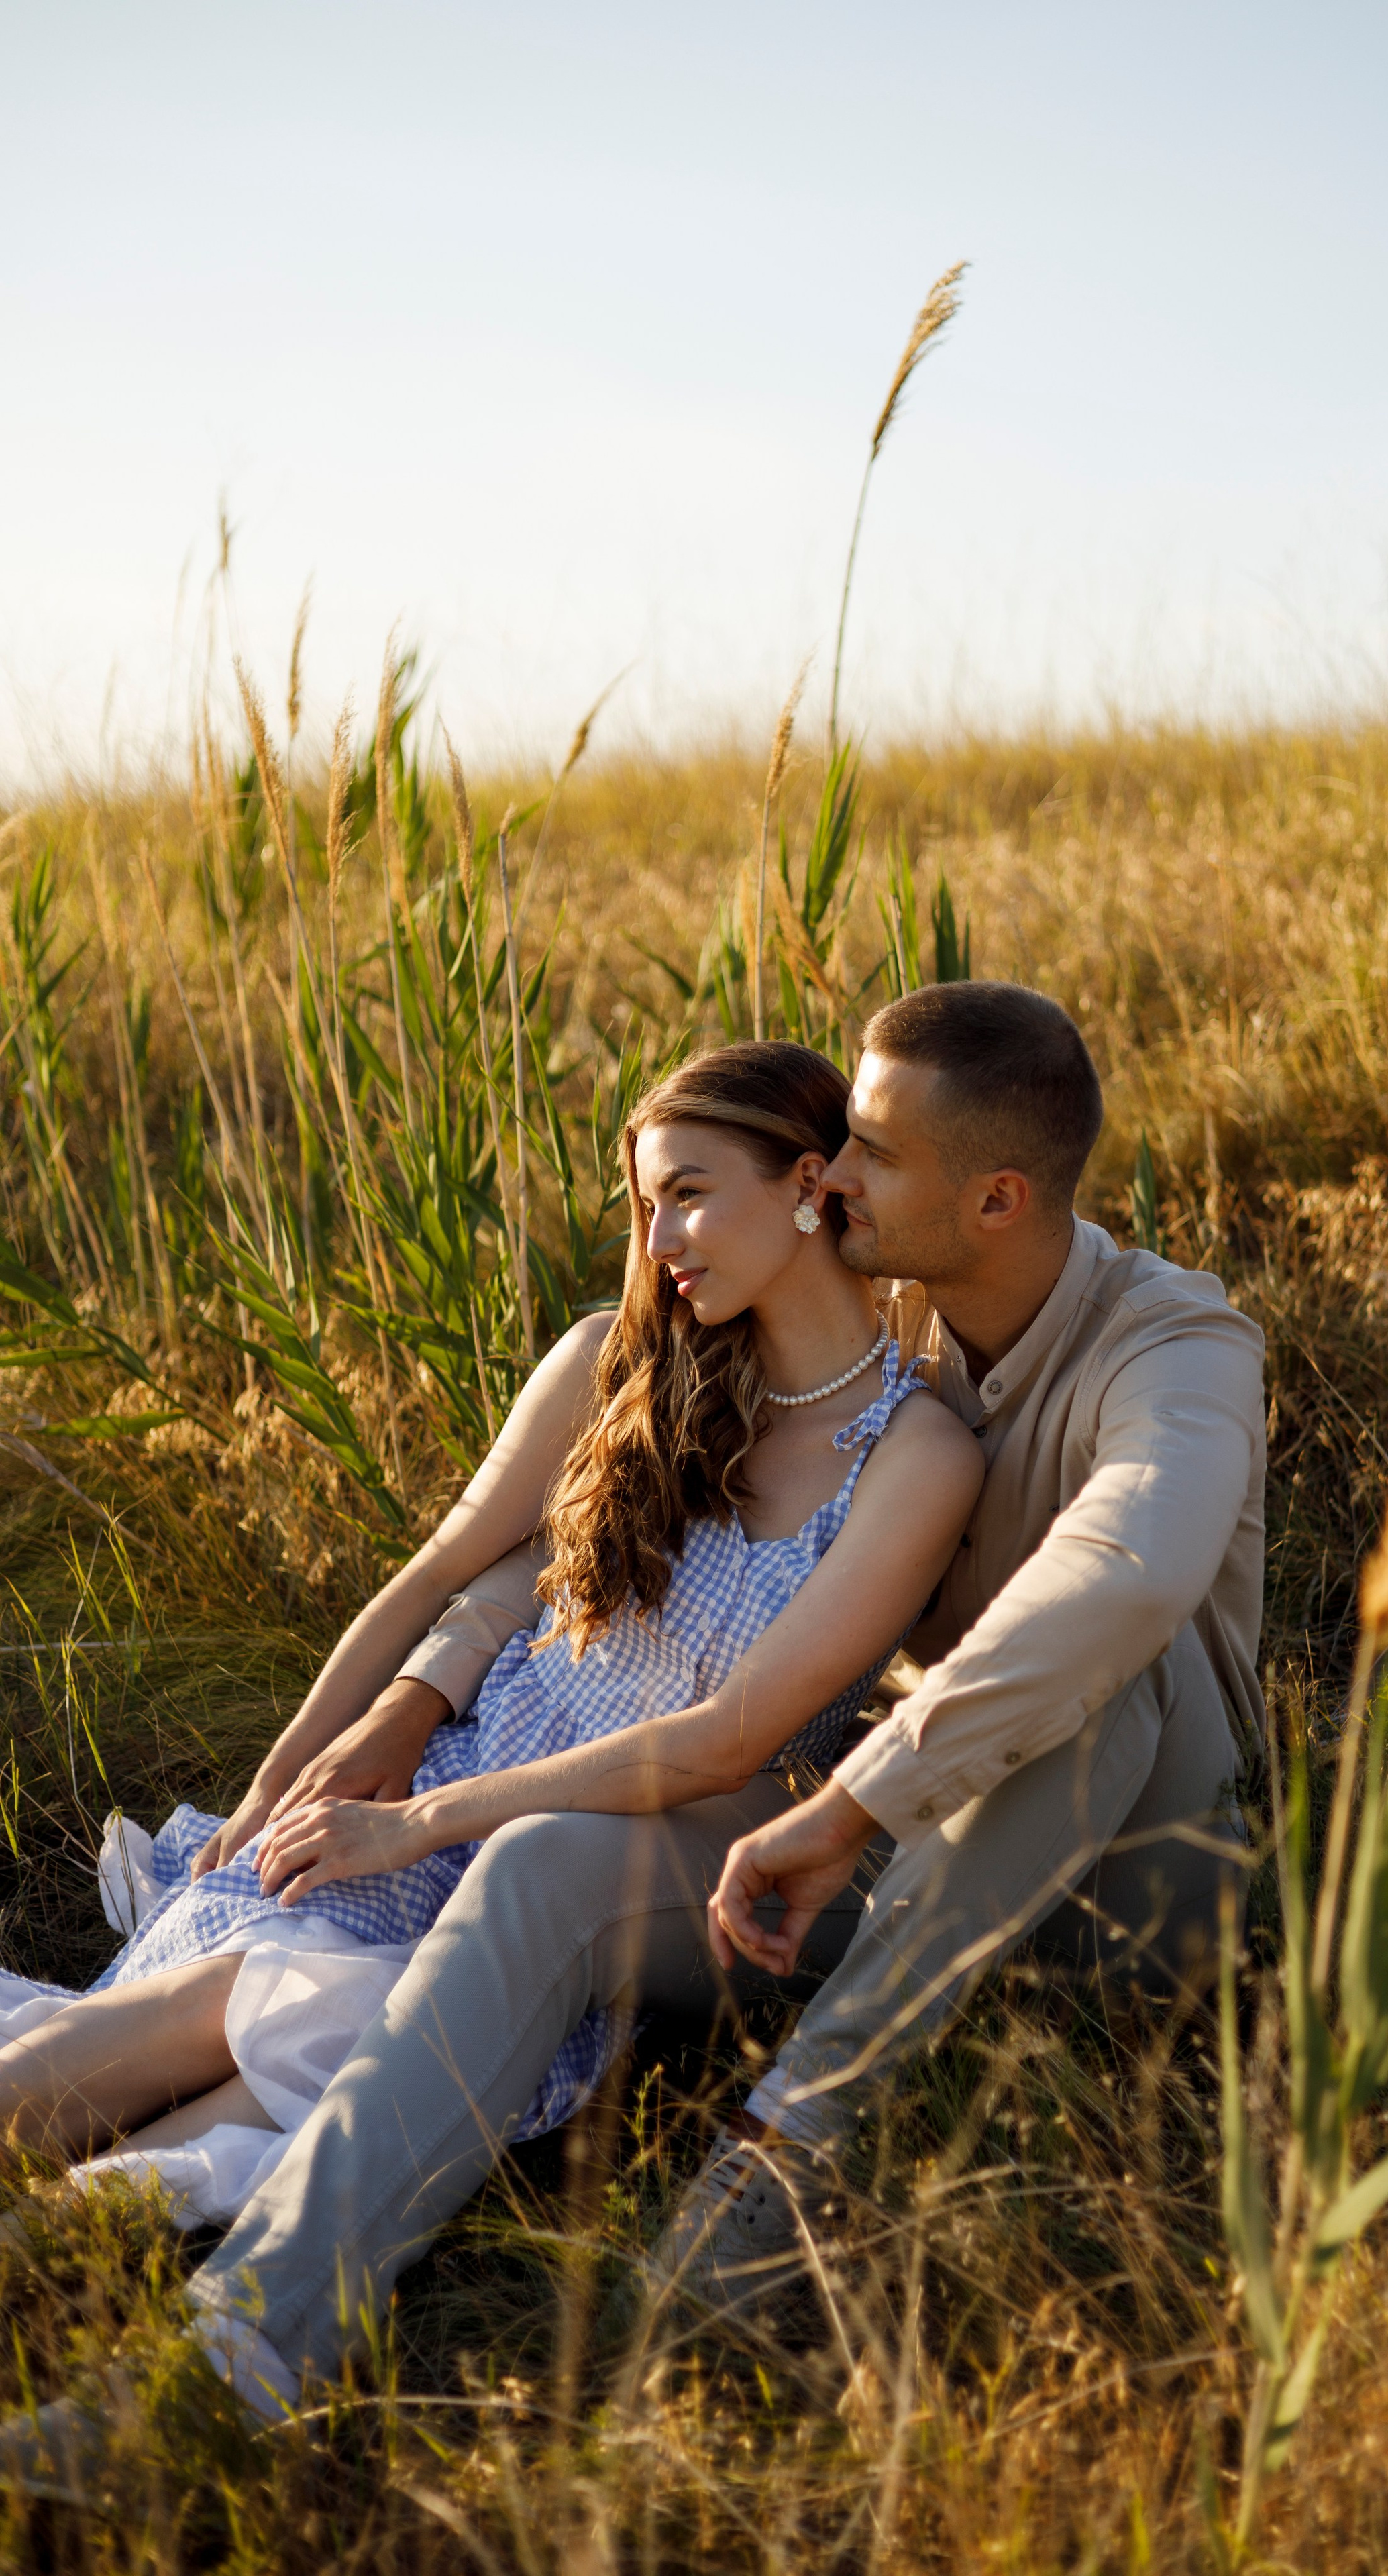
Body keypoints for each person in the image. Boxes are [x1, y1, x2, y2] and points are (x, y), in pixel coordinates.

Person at [2, 981, 1264, 2481]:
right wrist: (422, 1701)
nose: (831, 1174)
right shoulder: (879, 1308)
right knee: (538, 1863)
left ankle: (786, 2145)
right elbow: (574, 1556)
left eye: (863, 1154)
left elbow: (1124, 1569)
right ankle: (237, 2357)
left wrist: (849, 1801)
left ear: (992, 1198)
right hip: (873, 1844)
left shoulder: (1177, 1346)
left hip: (1120, 1883)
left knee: (1100, 1659)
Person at [0, 1042, 979, 2233]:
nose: (658, 1243)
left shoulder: (915, 1454)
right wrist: (284, 1785)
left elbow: (732, 1741)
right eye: (645, 1205)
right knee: (209, 2006)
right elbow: (443, 1572)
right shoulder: (620, 1364)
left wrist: (417, 1822)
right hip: (433, 1797)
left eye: (688, 1195)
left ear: (807, 1182)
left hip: (555, 1878)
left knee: (161, 2145)